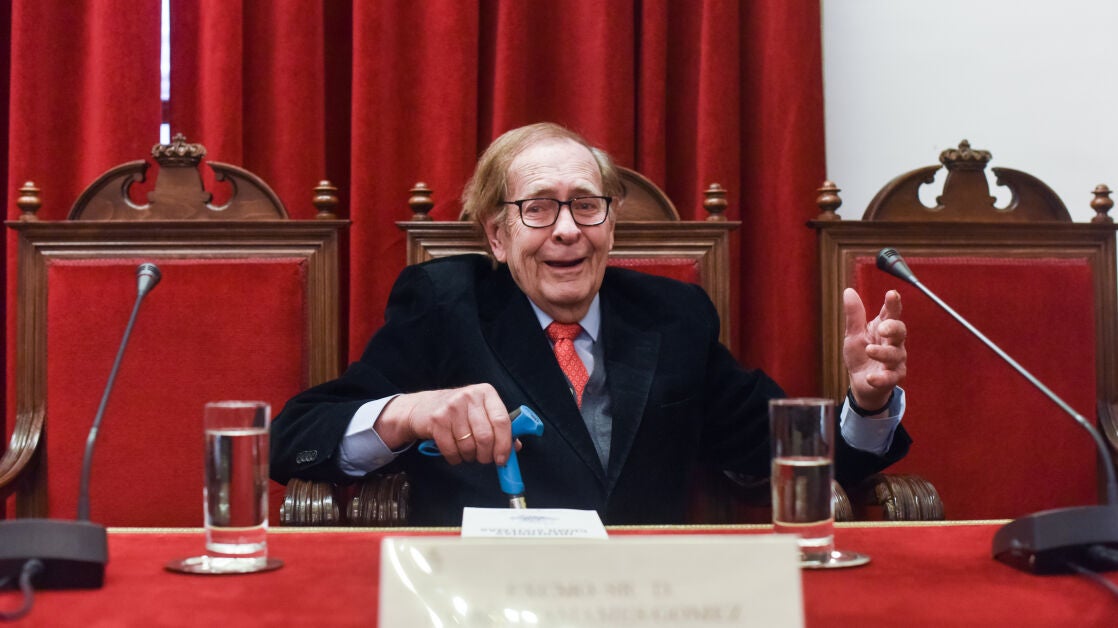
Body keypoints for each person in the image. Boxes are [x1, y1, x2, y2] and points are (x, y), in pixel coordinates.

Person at [270, 122, 910, 526]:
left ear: (611, 223)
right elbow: (296, 436)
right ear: (497, 236)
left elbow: (787, 452)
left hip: (646, 602)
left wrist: (868, 403)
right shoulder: (443, 305)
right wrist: (409, 412)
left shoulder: (674, 316)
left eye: (585, 205)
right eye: (538, 209)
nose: (568, 230)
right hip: (490, 602)